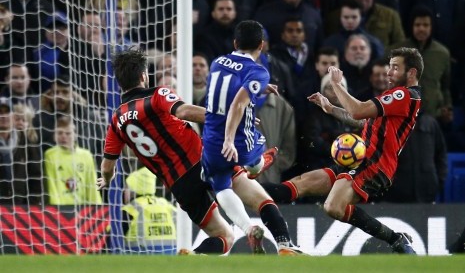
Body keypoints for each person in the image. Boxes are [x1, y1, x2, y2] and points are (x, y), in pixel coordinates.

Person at [97, 47, 303, 255]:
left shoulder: (116, 121)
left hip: (179, 184)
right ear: (144, 75)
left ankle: (193, 256)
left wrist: (106, 179)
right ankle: (284, 244)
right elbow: (185, 111)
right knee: (260, 198)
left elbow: (107, 166)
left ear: (120, 82)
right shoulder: (158, 94)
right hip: (203, 159)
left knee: (224, 237)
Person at [262, 47, 424, 254]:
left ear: (411, 73)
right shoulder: (399, 96)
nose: (389, 72)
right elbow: (364, 119)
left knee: (333, 207)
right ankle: (248, 190)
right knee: (300, 184)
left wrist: (336, 84)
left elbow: (358, 111)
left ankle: (395, 239)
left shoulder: (405, 95)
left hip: (375, 165)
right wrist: (331, 109)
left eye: (394, 68)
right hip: (358, 160)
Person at [202, 20, 303, 255]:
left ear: (235, 43)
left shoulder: (217, 62)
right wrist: (230, 139)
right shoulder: (258, 71)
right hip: (238, 140)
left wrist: (260, 87)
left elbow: (229, 88)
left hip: (210, 141)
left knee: (221, 185)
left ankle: (248, 228)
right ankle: (257, 165)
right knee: (262, 145)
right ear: (262, 45)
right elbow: (238, 102)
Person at [44, 116, 102, 205]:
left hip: (83, 209)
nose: (63, 137)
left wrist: (97, 208)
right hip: (60, 209)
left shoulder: (86, 156)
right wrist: (55, 209)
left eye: (68, 133)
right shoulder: (50, 155)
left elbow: (92, 185)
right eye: (60, 133)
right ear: (54, 135)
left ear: (75, 135)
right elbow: (51, 186)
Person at [121, 166, 177, 254]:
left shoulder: (131, 209)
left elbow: (112, 234)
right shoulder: (166, 205)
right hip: (171, 256)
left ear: (133, 190)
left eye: (127, 188)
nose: (124, 191)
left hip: (137, 258)